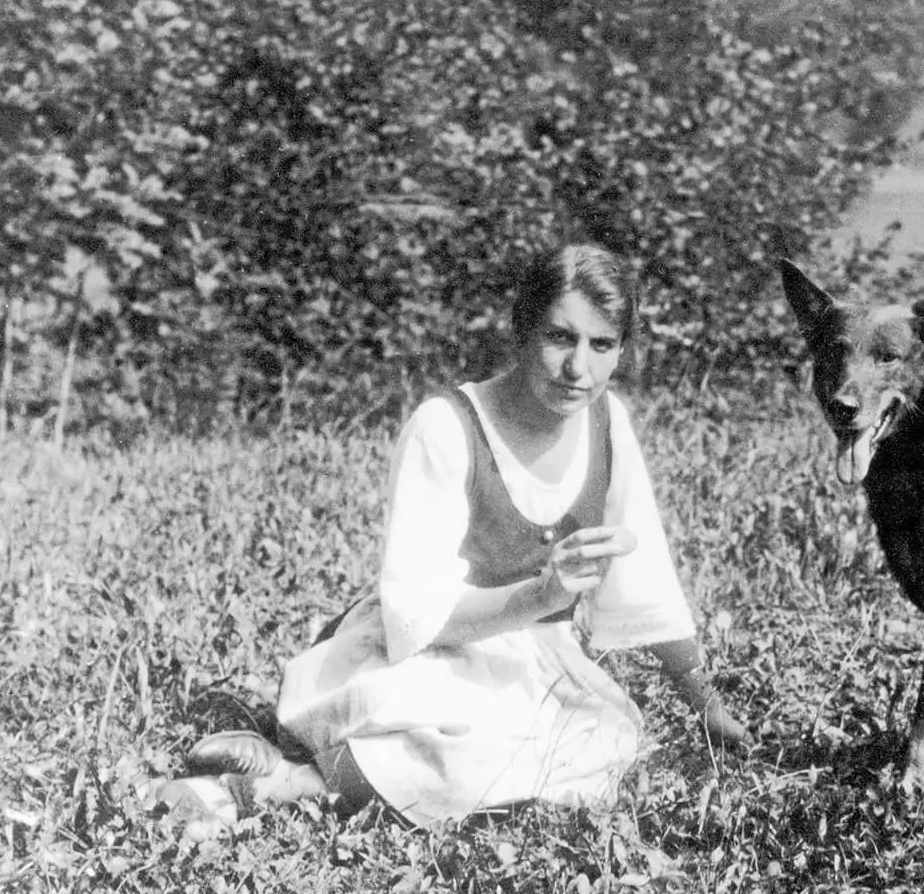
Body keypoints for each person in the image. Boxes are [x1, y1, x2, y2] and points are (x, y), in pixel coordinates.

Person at [152, 243, 753, 828]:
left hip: (535, 663)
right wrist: (540, 596)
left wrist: (708, 706)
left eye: (602, 345)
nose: (579, 369)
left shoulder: (608, 424)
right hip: (425, 651)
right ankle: (284, 780)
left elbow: (646, 581)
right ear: (521, 330)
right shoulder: (447, 426)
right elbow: (416, 617)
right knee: (460, 748)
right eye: (559, 337)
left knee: (593, 754)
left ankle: (293, 779)